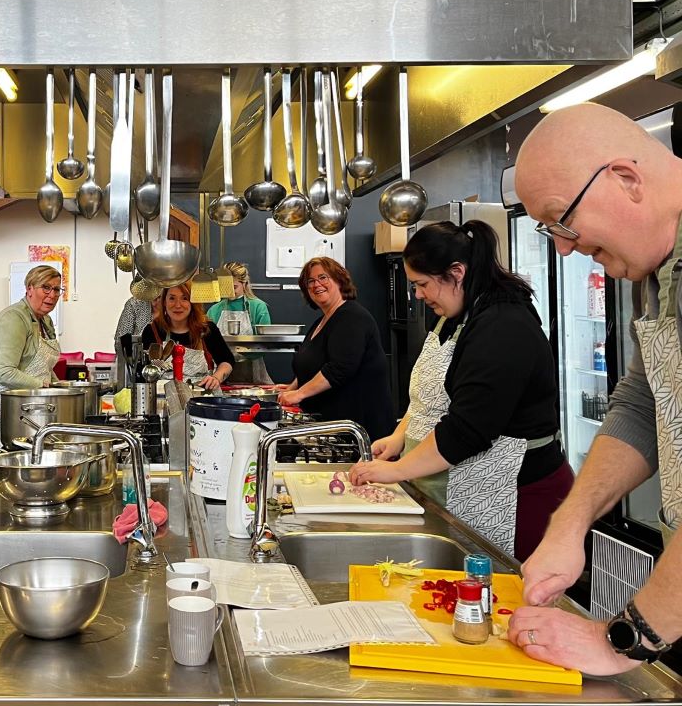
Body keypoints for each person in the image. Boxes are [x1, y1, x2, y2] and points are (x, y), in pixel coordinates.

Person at [504, 102, 682, 675]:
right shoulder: (655, 270)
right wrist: (569, 525)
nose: (563, 247)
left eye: (563, 220)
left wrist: (623, 639)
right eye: (548, 230)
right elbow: (644, 401)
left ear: (625, 179)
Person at [347, 221, 572, 560]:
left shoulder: (502, 325)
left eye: (422, 284)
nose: (418, 295)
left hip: (515, 492)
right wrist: (399, 437)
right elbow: (431, 393)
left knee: (506, 594)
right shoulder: (456, 313)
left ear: (457, 272)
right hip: (467, 484)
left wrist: (397, 470)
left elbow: (467, 429)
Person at [279, 257, 393, 441]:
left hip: (357, 430)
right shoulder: (323, 321)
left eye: (323, 277)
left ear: (339, 280)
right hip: (332, 427)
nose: (317, 284)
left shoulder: (352, 317)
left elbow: (339, 368)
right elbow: (314, 362)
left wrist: (299, 394)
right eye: (310, 281)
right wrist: (292, 387)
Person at [0, 265, 63, 449]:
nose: (52, 294)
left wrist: (59, 386)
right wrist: (42, 386)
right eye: (46, 287)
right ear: (29, 288)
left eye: (56, 289)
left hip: (27, 402)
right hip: (0, 401)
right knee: (6, 462)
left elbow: (43, 366)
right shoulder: (14, 319)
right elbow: (5, 372)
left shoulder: (45, 320)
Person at [141, 283, 234, 391]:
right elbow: (144, 372)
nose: (178, 305)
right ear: (164, 302)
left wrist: (216, 378)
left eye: (184, 298)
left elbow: (227, 360)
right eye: (172, 298)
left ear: (193, 302)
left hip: (201, 398)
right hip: (162, 399)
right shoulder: (152, 330)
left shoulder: (207, 329)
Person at [205, 261, 273, 384]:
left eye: (234, 287)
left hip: (252, 372)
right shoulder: (214, 310)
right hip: (220, 374)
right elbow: (206, 345)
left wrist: (239, 354)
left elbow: (265, 344)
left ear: (245, 284)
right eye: (226, 286)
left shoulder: (258, 307)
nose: (230, 291)